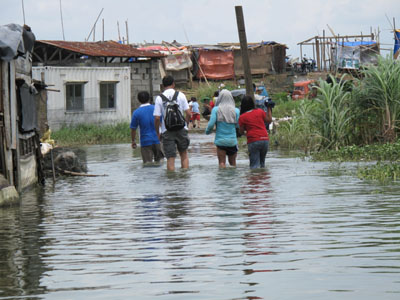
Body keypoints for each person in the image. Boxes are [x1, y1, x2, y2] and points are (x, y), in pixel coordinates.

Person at [154, 75, 191, 171]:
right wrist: (186, 124)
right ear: (173, 84)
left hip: (167, 130)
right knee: (184, 154)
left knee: (170, 158)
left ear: (162, 85)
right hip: (181, 128)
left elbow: (157, 118)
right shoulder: (181, 95)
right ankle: (185, 177)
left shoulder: (159, 98)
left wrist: (158, 132)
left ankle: (171, 182)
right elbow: (188, 113)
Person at [205, 89, 240, 168]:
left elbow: (211, 124)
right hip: (232, 141)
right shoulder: (236, 111)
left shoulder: (216, 110)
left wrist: (207, 131)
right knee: (233, 164)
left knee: (221, 163)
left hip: (221, 141)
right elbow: (238, 125)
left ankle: (221, 179)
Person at [239, 95, 272, 169]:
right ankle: (263, 179)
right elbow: (269, 120)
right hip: (265, 139)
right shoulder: (260, 111)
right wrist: (269, 108)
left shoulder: (242, 117)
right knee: (262, 164)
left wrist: (245, 133)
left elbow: (241, 131)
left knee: (254, 166)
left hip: (253, 140)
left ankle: (255, 179)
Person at [130, 91, 163, 164]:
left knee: (147, 164)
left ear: (138, 100)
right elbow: (161, 123)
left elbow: (133, 129)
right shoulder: (156, 108)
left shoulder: (136, 112)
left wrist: (133, 141)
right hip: (157, 140)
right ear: (149, 98)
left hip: (145, 141)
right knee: (160, 163)